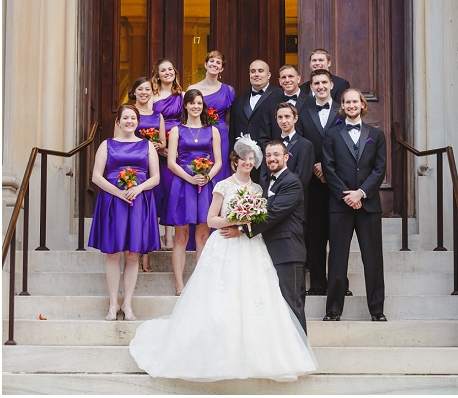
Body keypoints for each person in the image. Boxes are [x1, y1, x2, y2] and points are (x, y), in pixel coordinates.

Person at [129, 139, 317, 382]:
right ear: (235, 161)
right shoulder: (223, 186)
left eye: (252, 159)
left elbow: (268, 215)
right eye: (244, 159)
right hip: (227, 245)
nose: (248, 163)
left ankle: (276, 354)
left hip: (252, 246)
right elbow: (210, 219)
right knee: (221, 300)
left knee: (257, 299)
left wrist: (243, 226)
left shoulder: (260, 188)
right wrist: (234, 221)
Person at [87, 104, 160, 322]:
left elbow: (155, 177)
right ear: (118, 121)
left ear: (138, 122)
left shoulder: (147, 146)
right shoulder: (106, 145)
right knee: (112, 253)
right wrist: (119, 193)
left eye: (133, 118)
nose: (130, 122)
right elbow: (96, 177)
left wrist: (138, 188)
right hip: (113, 202)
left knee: (132, 254)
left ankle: (127, 304)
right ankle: (112, 304)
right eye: (125, 118)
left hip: (138, 202)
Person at [322, 89, 387, 322]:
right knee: (338, 258)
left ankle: (377, 310)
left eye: (354, 102)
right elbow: (328, 169)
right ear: (342, 105)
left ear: (362, 104)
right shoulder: (331, 135)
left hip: (368, 205)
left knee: (373, 259)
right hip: (340, 205)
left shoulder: (376, 135)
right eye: (346, 102)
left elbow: (379, 169)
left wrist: (361, 193)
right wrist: (346, 196)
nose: (351, 105)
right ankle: (333, 310)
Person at [164, 89, 222, 295]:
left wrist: (207, 177)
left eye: (199, 103)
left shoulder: (212, 130)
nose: (196, 106)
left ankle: (199, 284)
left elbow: (219, 161)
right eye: (192, 103)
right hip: (183, 185)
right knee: (181, 236)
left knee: (203, 236)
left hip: (205, 186)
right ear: (186, 106)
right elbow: (171, 162)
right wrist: (189, 178)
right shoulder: (177, 131)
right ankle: (179, 284)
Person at [247, 140, 309, 332]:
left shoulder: (291, 182)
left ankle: (301, 354)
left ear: (286, 157)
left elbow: (274, 213)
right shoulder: (267, 182)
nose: (272, 159)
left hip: (288, 252)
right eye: (268, 155)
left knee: (292, 304)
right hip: (272, 251)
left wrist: (244, 230)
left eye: (276, 155)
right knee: (277, 306)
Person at [296, 68, 342, 295]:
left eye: (324, 82)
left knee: (338, 235)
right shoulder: (303, 112)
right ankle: (317, 283)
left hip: (339, 182)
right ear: (311, 87)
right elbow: (301, 143)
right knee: (315, 234)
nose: (321, 86)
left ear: (331, 84)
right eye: (316, 83)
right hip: (313, 182)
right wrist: (315, 164)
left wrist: (329, 166)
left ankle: (339, 284)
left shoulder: (343, 111)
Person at [129, 77, 165, 273]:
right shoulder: (128, 113)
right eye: (140, 89)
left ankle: (146, 256)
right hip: (131, 167)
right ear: (134, 91)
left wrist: (158, 145)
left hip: (151, 166)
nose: (144, 92)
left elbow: (163, 143)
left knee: (151, 211)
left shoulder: (157, 115)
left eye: (148, 89)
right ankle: (132, 251)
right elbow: (117, 139)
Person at [150, 58, 184, 251]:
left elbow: (186, 120)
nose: (167, 73)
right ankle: (154, 235)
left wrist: (175, 148)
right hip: (157, 148)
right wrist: (159, 146)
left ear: (174, 72)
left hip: (177, 147)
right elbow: (149, 120)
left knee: (172, 190)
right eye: (163, 70)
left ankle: (169, 236)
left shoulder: (182, 95)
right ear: (158, 75)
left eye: (170, 69)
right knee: (158, 190)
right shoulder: (153, 97)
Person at [186, 51, 235, 182]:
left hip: (222, 133)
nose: (214, 64)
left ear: (222, 68)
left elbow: (229, 120)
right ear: (205, 64)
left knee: (220, 169)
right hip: (201, 133)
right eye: (212, 61)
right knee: (201, 167)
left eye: (218, 63)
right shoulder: (193, 88)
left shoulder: (229, 90)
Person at [264, 103, 315, 210]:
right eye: (280, 117)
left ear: (295, 118)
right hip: (270, 200)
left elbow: (302, 177)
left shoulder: (305, 145)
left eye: (287, 117)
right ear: (276, 120)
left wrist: (283, 194)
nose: (283, 121)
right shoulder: (271, 145)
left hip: (294, 202)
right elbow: (265, 174)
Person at [230, 60, 282, 163]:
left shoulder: (280, 96)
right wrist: (233, 156)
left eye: (260, 71)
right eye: (253, 71)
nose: (256, 74)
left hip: (270, 159)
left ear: (268, 75)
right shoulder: (239, 100)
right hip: (243, 160)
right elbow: (233, 130)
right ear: (249, 74)